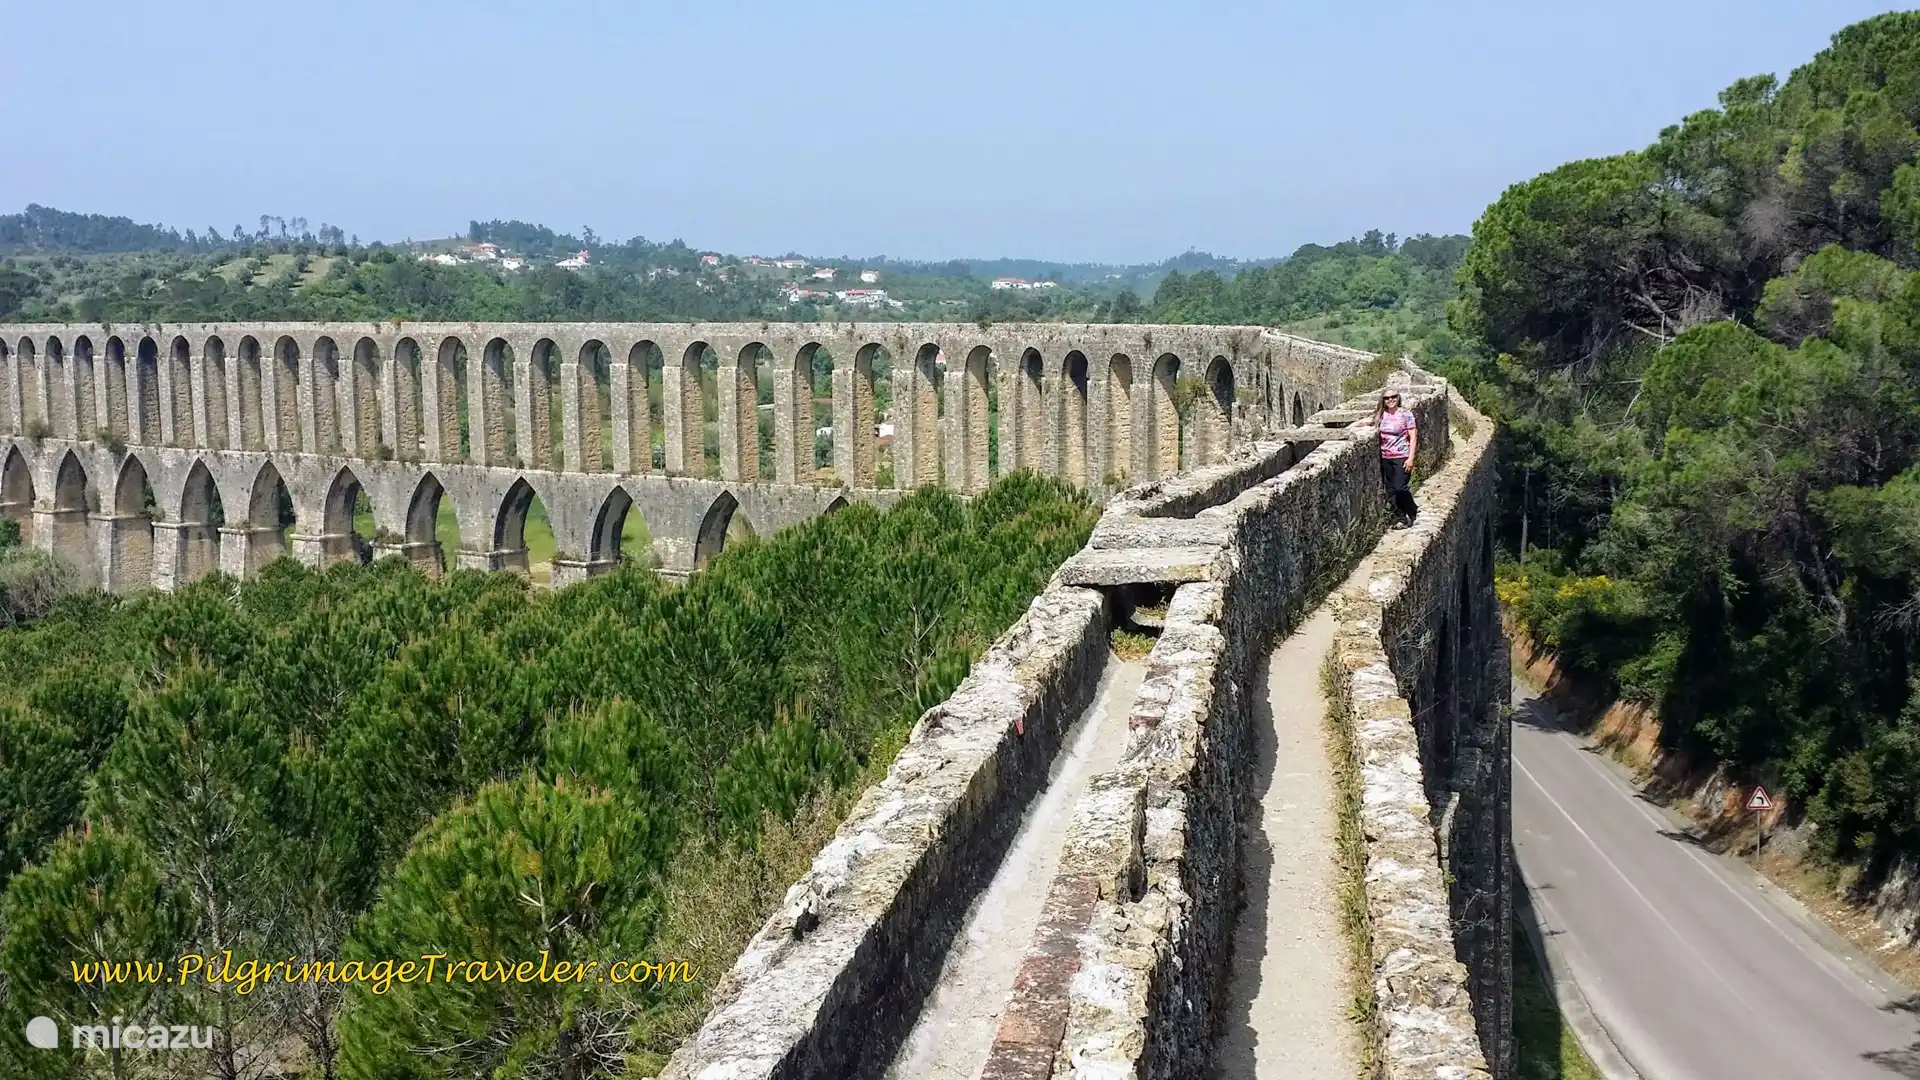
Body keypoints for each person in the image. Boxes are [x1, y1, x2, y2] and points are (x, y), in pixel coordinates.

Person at [1375, 389, 1418, 527]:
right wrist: (1351, 427)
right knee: (1390, 490)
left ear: (1398, 398)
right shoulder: (1381, 415)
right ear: (1383, 400)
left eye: (1393, 396)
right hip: (1386, 457)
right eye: (1387, 398)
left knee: (1400, 487)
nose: (1390, 400)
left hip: (1402, 456)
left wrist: (1411, 458)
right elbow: (1368, 421)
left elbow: (1413, 437)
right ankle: (1400, 517)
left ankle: (1412, 510)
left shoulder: (1406, 414)